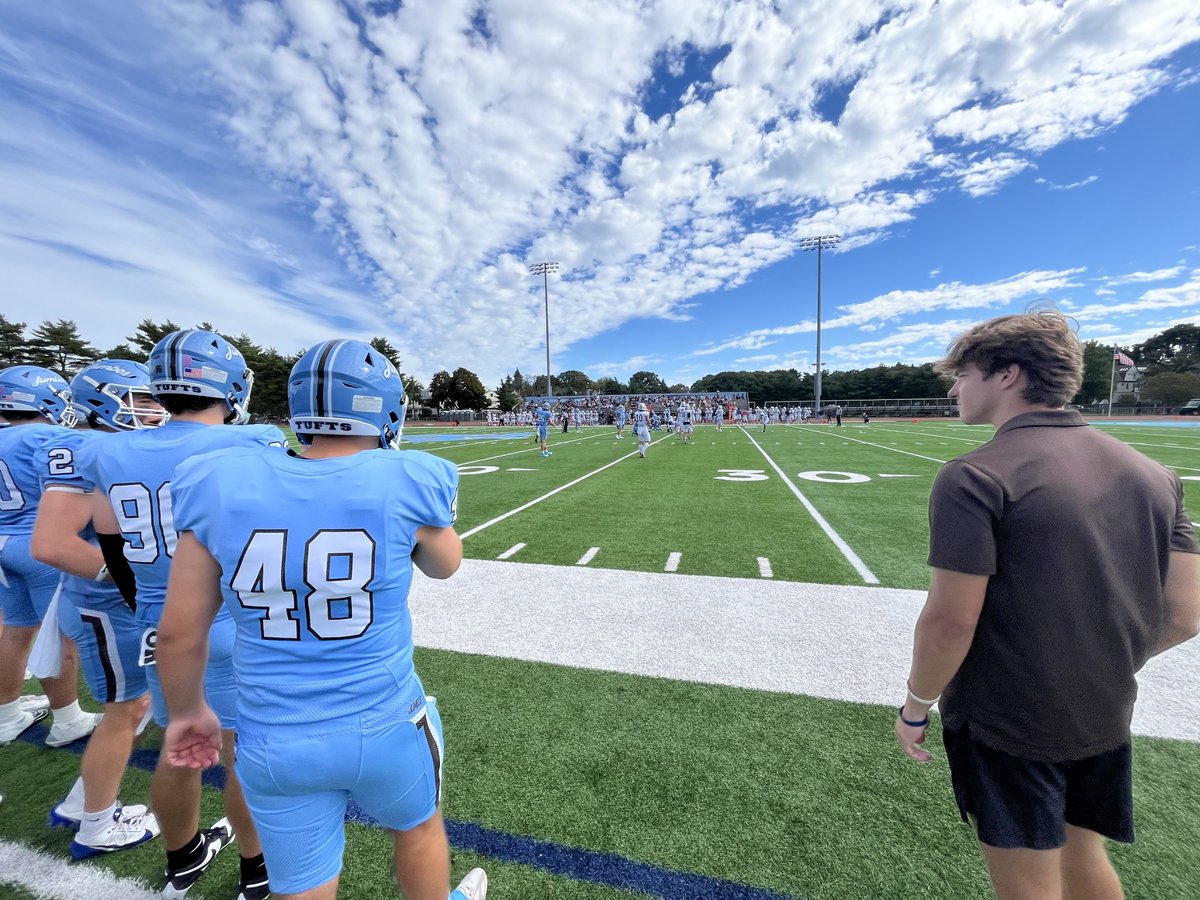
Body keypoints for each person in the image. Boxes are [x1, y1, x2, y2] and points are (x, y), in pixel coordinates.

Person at [157, 339, 487, 900]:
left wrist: (188, 710)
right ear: (385, 408)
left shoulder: (219, 479)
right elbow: (445, 565)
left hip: (272, 735)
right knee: (418, 829)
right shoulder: (406, 477)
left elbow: (179, 632)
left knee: (302, 881)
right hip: (384, 720)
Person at [894, 309, 1199, 900]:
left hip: (1007, 713)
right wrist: (1095, 663)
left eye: (964, 373)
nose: (954, 388)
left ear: (1007, 375)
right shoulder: (1158, 475)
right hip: (1105, 704)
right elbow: (1184, 617)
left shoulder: (974, 474)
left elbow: (950, 621)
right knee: (1083, 853)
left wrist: (916, 706)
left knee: (1028, 881)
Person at [80, 331, 284, 899]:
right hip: (227, 619)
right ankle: (257, 870)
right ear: (232, 386)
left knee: (180, 745)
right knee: (244, 753)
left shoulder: (110, 451)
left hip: (156, 619)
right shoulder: (254, 443)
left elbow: (112, 546)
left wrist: (146, 606)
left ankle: (183, 857)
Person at [32, 360, 163, 858]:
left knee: (136, 704)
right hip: (104, 605)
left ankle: (83, 798)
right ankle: (96, 825)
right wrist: (127, 577)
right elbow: (50, 543)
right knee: (123, 711)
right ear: (105, 399)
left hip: (103, 605)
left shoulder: (101, 446)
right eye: (141, 399)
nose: (153, 409)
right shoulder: (93, 450)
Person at [0, 366, 99, 750]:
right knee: (60, 636)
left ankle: (7, 714)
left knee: (16, 629)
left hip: (3, 541)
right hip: (40, 545)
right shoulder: (51, 436)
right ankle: (69, 718)